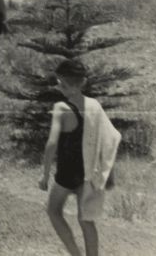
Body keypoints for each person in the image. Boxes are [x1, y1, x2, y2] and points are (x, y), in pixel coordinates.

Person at [41, 59, 120, 256]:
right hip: (88, 171)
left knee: (53, 210)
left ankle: (75, 253)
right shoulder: (94, 105)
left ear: (62, 82)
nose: (59, 86)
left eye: (61, 83)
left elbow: (51, 144)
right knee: (86, 219)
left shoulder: (61, 107)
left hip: (66, 173)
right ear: (83, 82)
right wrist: (109, 172)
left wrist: (44, 175)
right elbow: (109, 140)